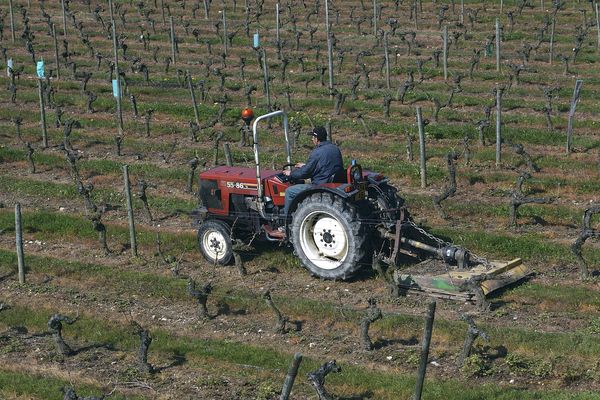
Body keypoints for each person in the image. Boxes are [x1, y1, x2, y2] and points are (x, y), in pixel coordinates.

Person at [281, 126, 343, 217]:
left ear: (317, 139)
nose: (311, 139)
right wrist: (305, 166)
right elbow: (324, 166)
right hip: (331, 181)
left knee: (289, 191)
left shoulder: (317, 152)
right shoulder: (335, 148)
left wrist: (291, 173)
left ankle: (286, 221)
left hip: (320, 184)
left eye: (313, 137)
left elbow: (305, 173)